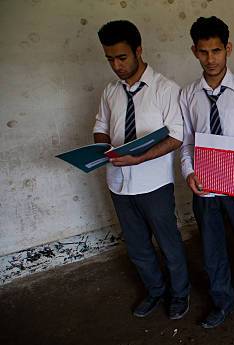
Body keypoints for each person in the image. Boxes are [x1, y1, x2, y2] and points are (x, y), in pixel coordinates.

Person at [94, 20, 190, 319]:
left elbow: (176, 136)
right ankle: (155, 290)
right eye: (110, 59)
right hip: (118, 183)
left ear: (138, 50)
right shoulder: (110, 92)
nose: (116, 65)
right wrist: (102, 146)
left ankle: (179, 294)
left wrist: (141, 158)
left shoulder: (165, 88)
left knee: (169, 244)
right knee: (137, 248)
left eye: (122, 57)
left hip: (154, 185)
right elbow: (100, 127)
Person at [179, 16, 234, 329]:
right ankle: (222, 301)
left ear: (228, 49)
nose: (210, 58)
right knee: (212, 249)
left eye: (216, 50)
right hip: (205, 187)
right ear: (194, 52)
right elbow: (187, 142)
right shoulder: (186, 96)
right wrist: (189, 173)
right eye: (203, 52)